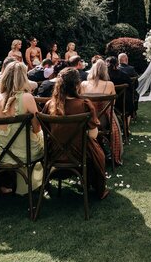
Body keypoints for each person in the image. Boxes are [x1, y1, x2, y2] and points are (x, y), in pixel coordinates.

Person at [46, 68, 109, 200]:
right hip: (80, 155)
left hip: (53, 153)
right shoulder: (84, 104)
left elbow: (45, 132)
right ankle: (93, 184)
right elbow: (93, 135)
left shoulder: (50, 105)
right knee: (96, 149)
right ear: (77, 85)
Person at [0, 61, 43, 195]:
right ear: (23, 78)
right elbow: (37, 129)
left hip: (1, 154)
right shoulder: (27, 98)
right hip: (26, 153)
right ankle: (40, 183)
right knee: (46, 140)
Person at [81, 59, 122, 165]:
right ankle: (108, 152)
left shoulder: (84, 84)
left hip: (88, 120)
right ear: (105, 71)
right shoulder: (110, 84)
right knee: (113, 118)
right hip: (105, 120)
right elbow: (113, 102)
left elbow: (80, 102)